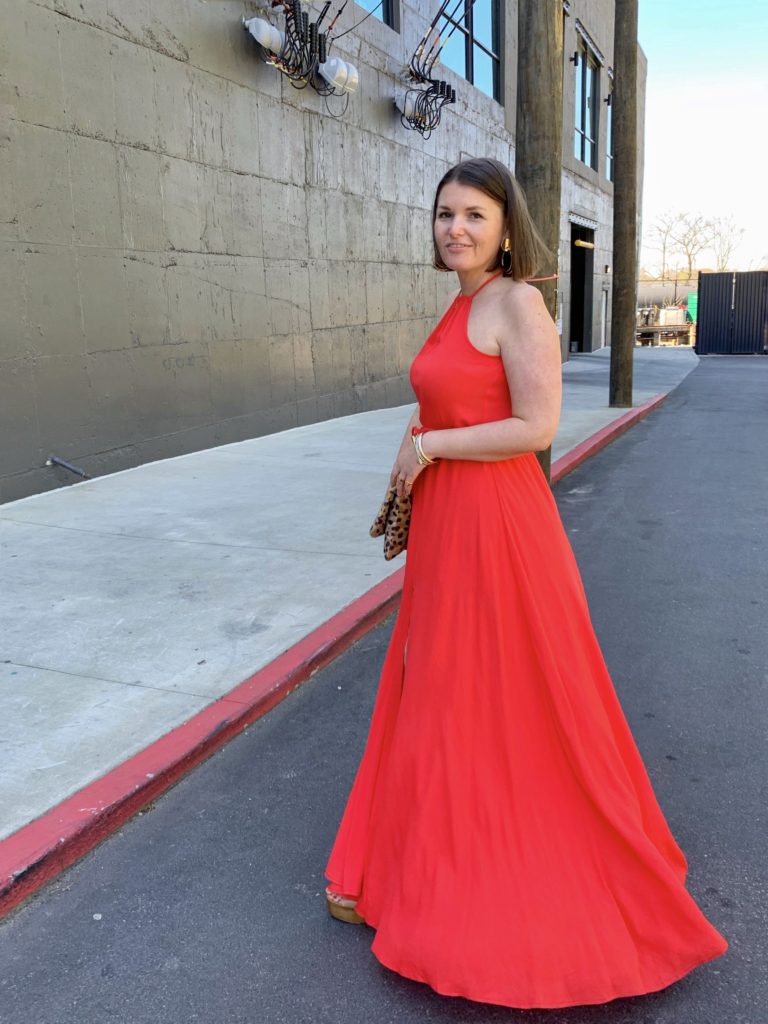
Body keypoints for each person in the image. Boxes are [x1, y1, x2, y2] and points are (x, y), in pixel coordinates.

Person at [323, 157, 728, 1009]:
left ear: (508, 226)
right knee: (438, 690)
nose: (455, 228)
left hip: (500, 529)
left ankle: (516, 876)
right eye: (444, 214)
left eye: (474, 214)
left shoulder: (519, 303)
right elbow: (445, 396)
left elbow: (533, 425)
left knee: (508, 696)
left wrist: (429, 449)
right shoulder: (462, 302)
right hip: (447, 529)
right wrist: (414, 442)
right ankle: (418, 866)